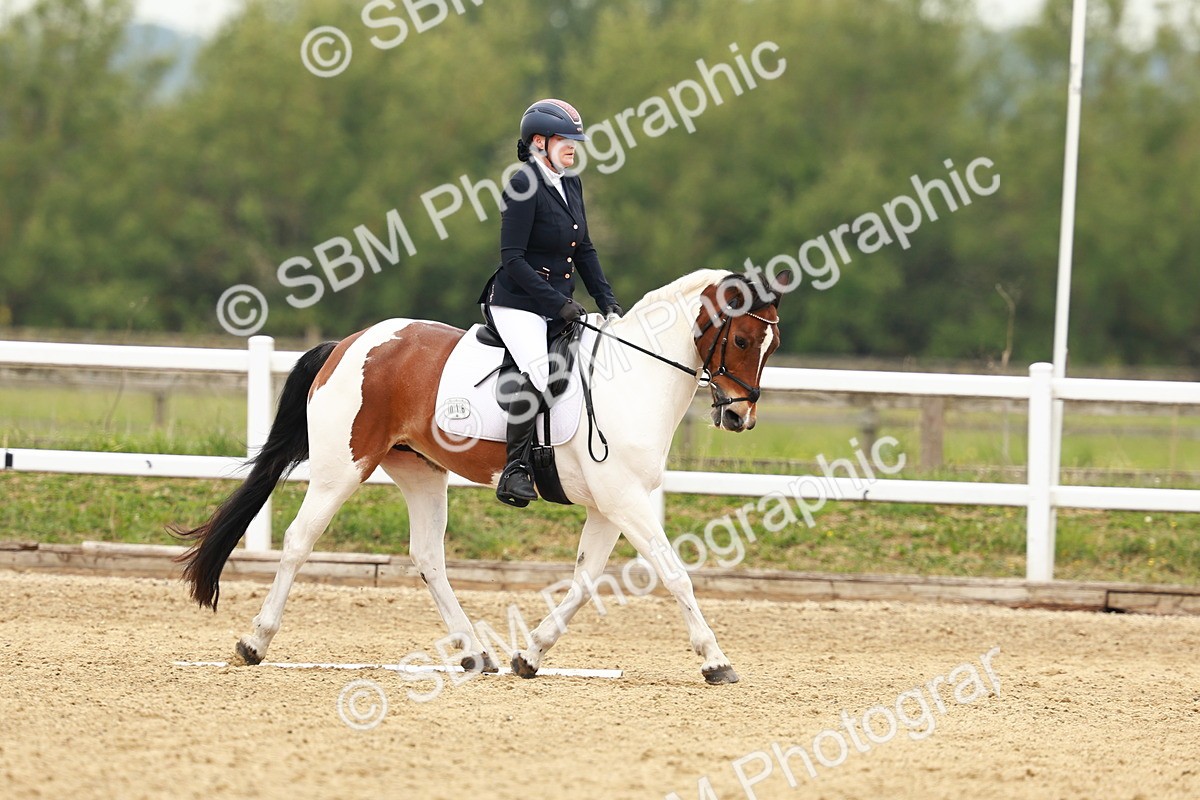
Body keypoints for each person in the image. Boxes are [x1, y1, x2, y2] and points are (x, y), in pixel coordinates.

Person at [478, 98, 624, 507]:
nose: (574, 146)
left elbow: (585, 250)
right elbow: (513, 259)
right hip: (518, 304)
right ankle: (515, 469)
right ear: (539, 142)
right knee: (542, 373)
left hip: (558, 303)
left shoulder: (570, 182)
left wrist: (608, 303)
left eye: (576, 140)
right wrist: (556, 304)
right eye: (566, 140)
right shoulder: (522, 185)